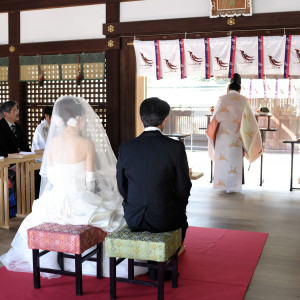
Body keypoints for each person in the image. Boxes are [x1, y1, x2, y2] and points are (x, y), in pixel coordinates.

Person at [0, 95, 146, 278]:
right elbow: (90, 181)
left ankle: (54, 261)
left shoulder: (52, 142)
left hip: (54, 202)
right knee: (116, 215)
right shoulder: (87, 144)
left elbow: (50, 176)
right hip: (80, 200)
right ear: (79, 119)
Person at [116, 97, 192, 280]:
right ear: (164, 119)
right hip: (165, 217)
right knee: (182, 223)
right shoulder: (175, 148)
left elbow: (121, 185)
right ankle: (158, 267)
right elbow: (183, 187)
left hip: (134, 217)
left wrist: (132, 203)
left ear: (142, 118)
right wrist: (179, 205)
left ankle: (151, 263)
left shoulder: (126, 148)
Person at [206, 73, 263, 193]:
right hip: (236, 134)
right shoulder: (243, 100)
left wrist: (213, 133)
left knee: (222, 160)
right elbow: (249, 120)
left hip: (222, 133)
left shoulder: (221, 99)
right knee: (233, 160)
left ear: (228, 88)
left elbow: (215, 118)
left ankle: (222, 185)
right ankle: (232, 187)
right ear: (240, 89)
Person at [0, 100, 31, 198]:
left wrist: (29, 158)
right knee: (17, 175)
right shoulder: (0, 126)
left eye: (17, 110)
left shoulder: (17, 126)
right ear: (6, 114)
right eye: (14, 110)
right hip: (4, 163)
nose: (17, 112)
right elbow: (2, 150)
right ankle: (20, 207)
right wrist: (13, 164)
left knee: (36, 173)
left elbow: (24, 146)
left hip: (16, 161)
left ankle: (33, 202)